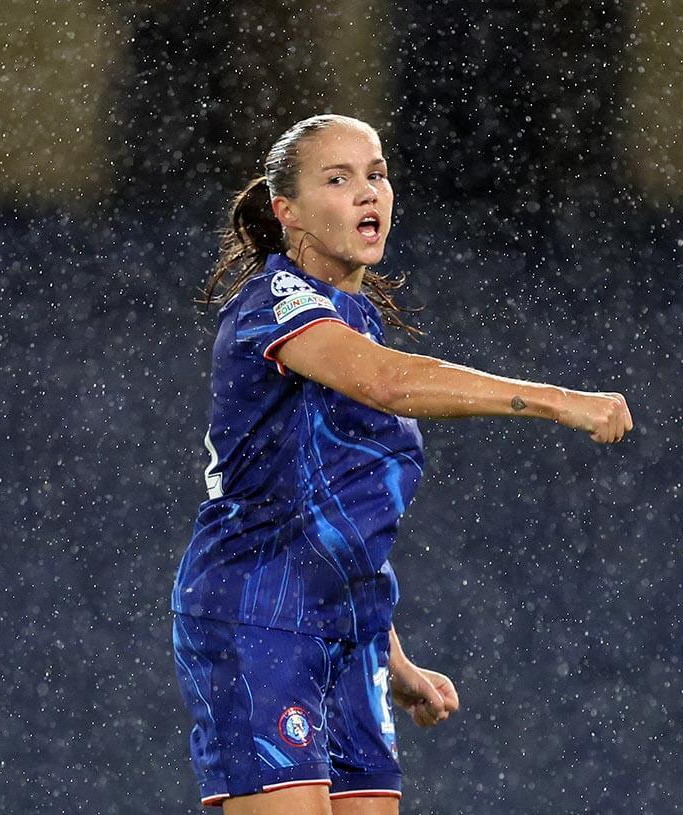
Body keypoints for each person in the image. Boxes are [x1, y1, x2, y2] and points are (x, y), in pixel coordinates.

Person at [171, 113, 633, 815]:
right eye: (339, 178)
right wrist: (557, 400)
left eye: (377, 173)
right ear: (286, 212)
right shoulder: (276, 305)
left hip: (347, 634)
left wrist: (393, 658)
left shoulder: (361, 321)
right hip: (256, 617)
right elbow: (389, 382)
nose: (368, 193)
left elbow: (334, 516)